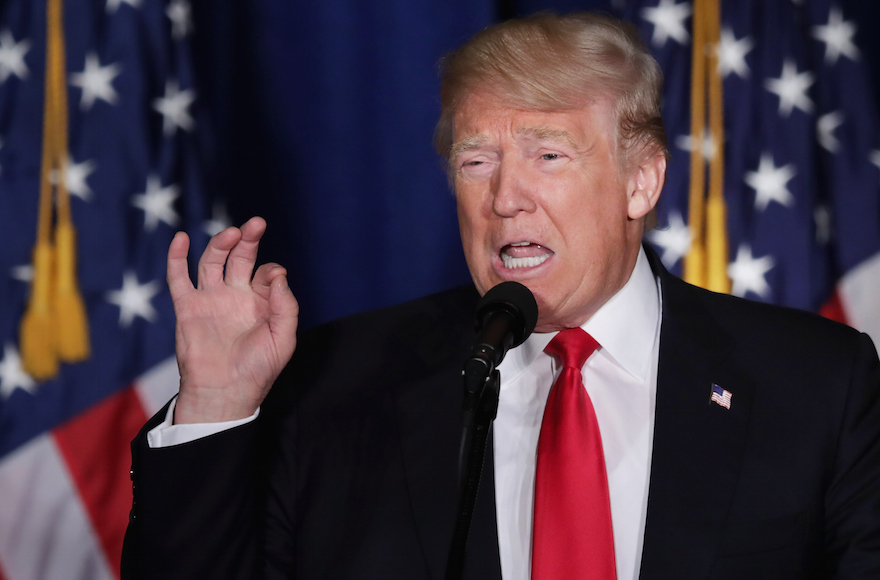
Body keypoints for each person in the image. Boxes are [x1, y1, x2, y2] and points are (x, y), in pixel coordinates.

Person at [122, 12, 880, 580]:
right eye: (476, 160)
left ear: (641, 180)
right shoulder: (335, 388)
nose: (506, 197)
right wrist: (217, 404)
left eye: (548, 154)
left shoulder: (817, 383)